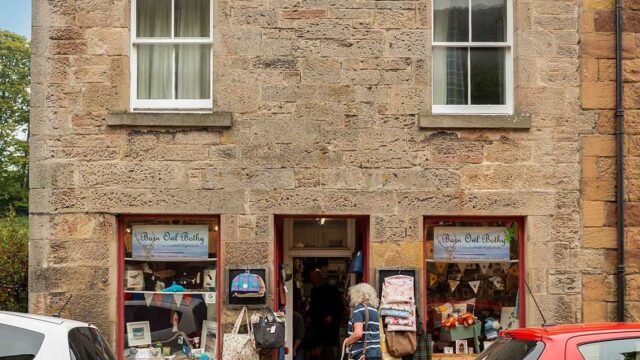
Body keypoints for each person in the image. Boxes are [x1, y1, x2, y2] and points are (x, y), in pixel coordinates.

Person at [307, 269, 344, 360]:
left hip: (329, 324)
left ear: (319, 277)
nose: (312, 279)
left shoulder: (330, 289)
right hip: (316, 324)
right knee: (317, 350)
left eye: (314, 277)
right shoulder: (313, 290)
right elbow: (313, 306)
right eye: (311, 277)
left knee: (328, 349)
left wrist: (332, 316)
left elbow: (339, 304)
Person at [344, 283, 381, 360]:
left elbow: (358, 333)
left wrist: (347, 342)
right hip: (375, 353)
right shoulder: (374, 310)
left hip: (363, 354)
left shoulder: (359, 309)